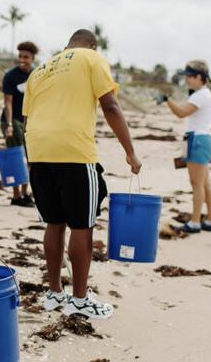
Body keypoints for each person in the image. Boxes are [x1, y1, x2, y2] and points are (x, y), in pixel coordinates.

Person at [23, 29, 141, 318]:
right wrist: (130, 151)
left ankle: (53, 293)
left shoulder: (39, 70)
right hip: (74, 151)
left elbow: (26, 117)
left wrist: (32, 157)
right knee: (82, 225)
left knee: (53, 222)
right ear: (92, 44)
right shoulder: (92, 58)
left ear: (67, 46)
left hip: (38, 150)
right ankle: (79, 299)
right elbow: (110, 105)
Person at [158, 59, 211, 232]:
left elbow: (182, 113)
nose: (187, 80)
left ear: (200, 77)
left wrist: (166, 100)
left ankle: (195, 221)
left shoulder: (201, 94)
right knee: (205, 183)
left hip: (197, 140)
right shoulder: (203, 93)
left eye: (190, 76)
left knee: (196, 184)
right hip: (204, 139)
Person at [0, 41, 38, 207]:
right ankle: (16, 197)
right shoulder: (10, 76)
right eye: (20, 56)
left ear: (33, 58)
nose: (23, 59)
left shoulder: (36, 75)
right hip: (12, 119)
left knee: (30, 160)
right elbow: (8, 102)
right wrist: (9, 124)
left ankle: (25, 193)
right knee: (16, 158)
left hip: (30, 121)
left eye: (26, 57)